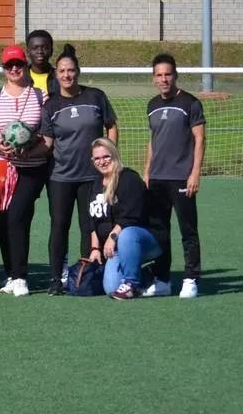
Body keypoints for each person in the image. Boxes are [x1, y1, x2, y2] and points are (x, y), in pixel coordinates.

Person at [40, 44, 118, 295]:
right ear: (56, 75)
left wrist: (110, 157)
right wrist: (21, 151)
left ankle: (89, 274)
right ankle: (55, 279)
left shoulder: (95, 96)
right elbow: (47, 142)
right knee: (59, 226)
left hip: (91, 178)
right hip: (60, 177)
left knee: (90, 227)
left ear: (78, 71)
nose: (66, 75)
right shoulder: (51, 105)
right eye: (62, 71)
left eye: (71, 70)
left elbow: (111, 126)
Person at [0, 45, 49, 297]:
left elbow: (46, 135)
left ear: (25, 65)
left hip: (30, 169)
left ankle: (21, 276)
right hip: (0, 167)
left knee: (19, 216)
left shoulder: (40, 96)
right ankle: (10, 274)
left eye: (18, 64)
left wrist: (28, 147)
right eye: (9, 65)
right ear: (3, 68)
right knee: (6, 220)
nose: (14, 69)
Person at [144, 53, 205, 298]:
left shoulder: (190, 103)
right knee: (159, 231)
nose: (164, 79)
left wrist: (195, 173)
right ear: (153, 79)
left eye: (168, 74)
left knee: (188, 230)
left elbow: (200, 139)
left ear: (176, 75)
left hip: (181, 177)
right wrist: (147, 172)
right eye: (159, 75)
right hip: (157, 178)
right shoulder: (152, 105)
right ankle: (162, 279)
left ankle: (191, 278)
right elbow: (153, 141)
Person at [87, 138, 161, 300]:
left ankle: (131, 283)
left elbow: (131, 217)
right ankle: (146, 273)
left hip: (145, 240)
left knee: (127, 234)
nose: (102, 162)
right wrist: (94, 249)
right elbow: (93, 221)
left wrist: (112, 237)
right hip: (117, 247)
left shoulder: (129, 178)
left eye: (106, 156)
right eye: (97, 158)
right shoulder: (96, 183)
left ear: (114, 155)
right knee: (111, 287)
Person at [25, 30, 56, 94]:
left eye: (45, 48)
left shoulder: (60, 78)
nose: (40, 51)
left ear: (51, 51)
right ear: (27, 52)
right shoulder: (21, 78)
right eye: (35, 48)